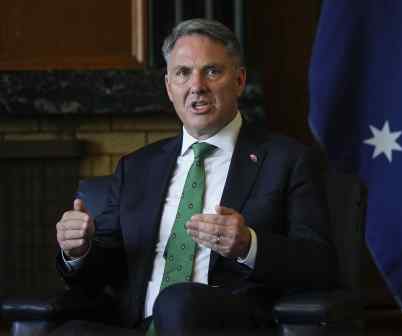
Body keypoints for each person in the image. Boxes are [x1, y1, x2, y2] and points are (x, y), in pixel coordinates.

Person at [55, 18, 336, 335]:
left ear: (240, 81)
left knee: (177, 302)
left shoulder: (288, 159)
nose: (197, 85)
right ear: (168, 87)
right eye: (183, 73)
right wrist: (78, 251)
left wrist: (249, 245)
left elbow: (319, 265)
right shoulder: (136, 167)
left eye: (212, 71)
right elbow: (103, 268)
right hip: (139, 326)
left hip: (226, 323)